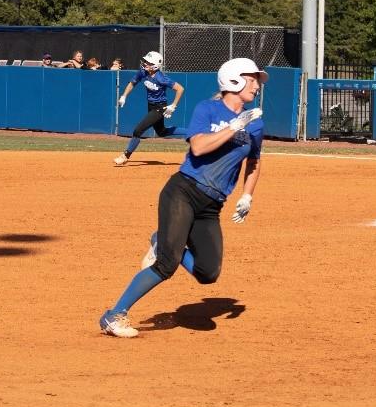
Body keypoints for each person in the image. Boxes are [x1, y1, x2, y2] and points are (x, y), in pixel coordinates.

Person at [99, 57, 267, 338]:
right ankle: (113, 316)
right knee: (167, 264)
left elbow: (254, 161)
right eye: (252, 79)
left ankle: (159, 239)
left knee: (208, 273)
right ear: (234, 80)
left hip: (211, 206)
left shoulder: (255, 124)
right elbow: (199, 148)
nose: (257, 86)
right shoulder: (208, 109)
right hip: (183, 192)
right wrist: (234, 127)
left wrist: (247, 195)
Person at [113, 51, 185, 166]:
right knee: (161, 132)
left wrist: (173, 105)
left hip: (160, 107)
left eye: (148, 62)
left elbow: (180, 89)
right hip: (151, 106)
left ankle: (125, 156)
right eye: (145, 61)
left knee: (138, 130)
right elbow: (132, 83)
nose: (145, 63)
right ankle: (190, 131)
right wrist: (124, 96)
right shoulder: (143, 72)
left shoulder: (161, 78)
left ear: (156, 65)